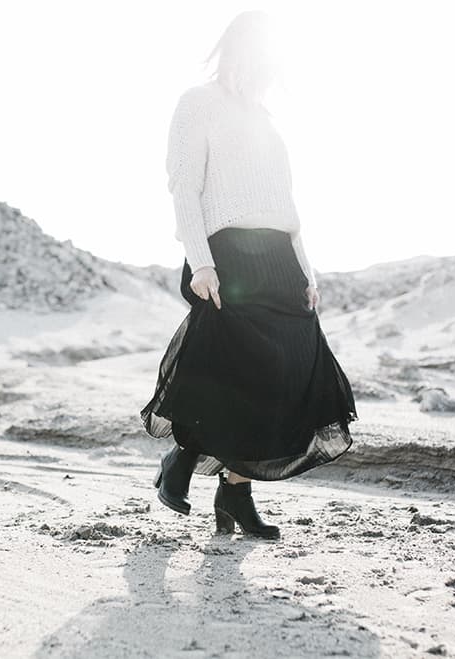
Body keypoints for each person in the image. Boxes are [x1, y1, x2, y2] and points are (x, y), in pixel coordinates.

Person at [140, 10, 358, 540]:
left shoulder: (266, 121)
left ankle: (234, 491)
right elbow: (183, 186)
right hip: (226, 253)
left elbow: (285, 204)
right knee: (230, 372)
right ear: (236, 53)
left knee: (286, 377)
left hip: (278, 258)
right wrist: (201, 262)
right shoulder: (198, 104)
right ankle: (185, 457)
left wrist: (306, 268)